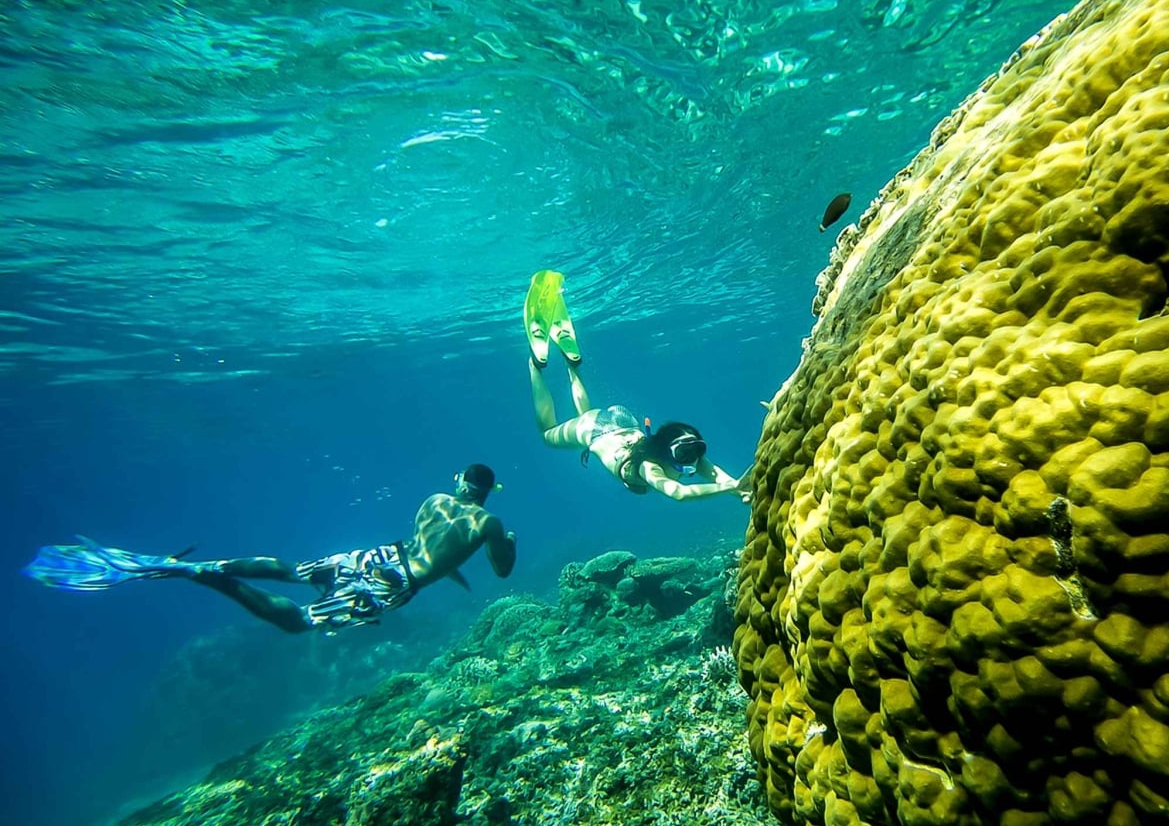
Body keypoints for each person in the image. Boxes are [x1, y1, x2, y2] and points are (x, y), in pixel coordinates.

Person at [23, 464, 517, 635]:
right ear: (488, 492)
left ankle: (212, 564)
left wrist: (449, 565)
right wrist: (507, 545)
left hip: (379, 556)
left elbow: (430, 546)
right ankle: (210, 578)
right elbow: (501, 570)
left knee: (295, 571)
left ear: (460, 482)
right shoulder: (489, 522)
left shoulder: (434, 500)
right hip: (399, 582)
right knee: (299, 620)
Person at [523, 269, 750, 501]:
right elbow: (679, 493)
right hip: (602, 429)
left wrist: (739, 489)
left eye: (697, 449)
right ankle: (535, 365)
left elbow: (714, 473)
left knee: (587, 416)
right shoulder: (648, 466)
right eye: (684, 452)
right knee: (547, 433)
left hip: (619, 424)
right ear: (666, 448)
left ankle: (572, 364)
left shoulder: (687, 455)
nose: (692, 458)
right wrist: (732, 486)